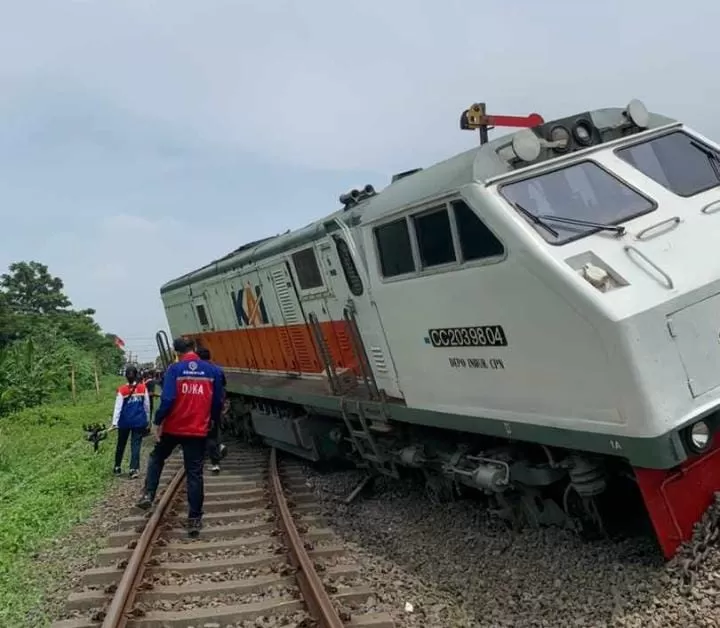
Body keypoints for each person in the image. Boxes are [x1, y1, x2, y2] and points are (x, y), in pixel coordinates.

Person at [135, 337, 223, 538]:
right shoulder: (213, 371)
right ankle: (194, 519)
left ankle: (149, 493)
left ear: (176, 352)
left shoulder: (173, 370)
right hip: (197, 430)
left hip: (173, 428)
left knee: (157, 457)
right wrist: (213, 421)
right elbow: (217, 402)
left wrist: (158, 421)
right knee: (194, 473)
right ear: (194, 348)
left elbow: (167, 399)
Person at [110, 365, 150, 479]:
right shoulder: (143, 388)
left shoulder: (122, 390)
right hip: (138, 421)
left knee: (121, 444)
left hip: (124, 422)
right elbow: (147, 405)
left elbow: (117, 407)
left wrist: (114, 422)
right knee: (135, 445)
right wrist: (147, 419)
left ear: (126, 377)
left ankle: (117, 466)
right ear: (136, 375)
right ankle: (134, 469)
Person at [196, 347, 227, 475]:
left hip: (200, 408)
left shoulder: (196, 371)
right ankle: (215, 462)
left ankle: (203, 460)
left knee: (201, 436)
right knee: (213, 434)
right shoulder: (217, 370)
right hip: (215, 407)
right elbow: (223, 385)